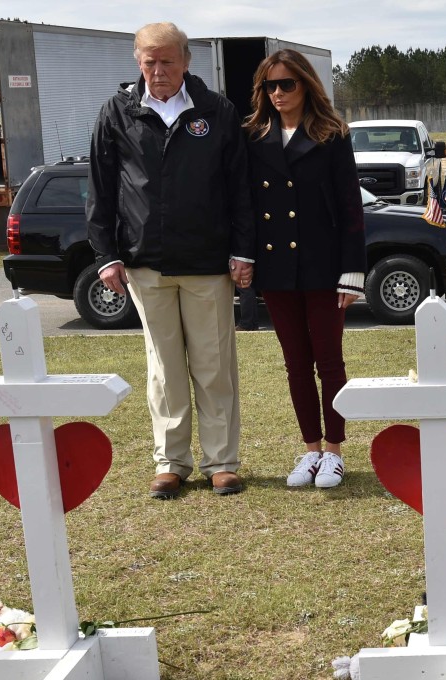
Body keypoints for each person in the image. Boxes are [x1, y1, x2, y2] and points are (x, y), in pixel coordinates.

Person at [86, 22, 255, 499]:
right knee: (164, 369)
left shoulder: (217, 111)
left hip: (207, 264)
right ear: (137, 62)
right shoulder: (117, 112)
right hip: (145, 263)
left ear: (186, 61)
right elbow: (100, 190)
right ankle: (171, 462)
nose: (158, 71)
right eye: (149, 62)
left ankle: (221, 462)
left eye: (167, 61)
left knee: (213, 365)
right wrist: (106, 256)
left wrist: (243, 251)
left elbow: (238, 188)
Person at [244, 49, 366, 489]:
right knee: (295, 363)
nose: (277, 93)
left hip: (322, 264)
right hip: (277, 268)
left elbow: (351, 206)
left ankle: (334, 452)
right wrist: (245, 256)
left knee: (329, 362)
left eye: (286, 84)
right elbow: (248, 206)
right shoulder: (254, 135)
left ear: (306, 85)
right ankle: (310, 449)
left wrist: (353, 270)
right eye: (269, 86)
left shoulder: (331, 134)